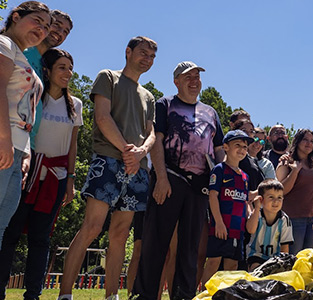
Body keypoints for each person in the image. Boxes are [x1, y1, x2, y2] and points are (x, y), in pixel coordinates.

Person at [58, 36, 157, 300]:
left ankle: (111, 295)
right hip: (108, 161)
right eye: (143, 53)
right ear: (128, 52)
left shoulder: (149, 96)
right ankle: (65, 294)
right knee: (91, 228)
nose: (147, 59)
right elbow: (102, 117)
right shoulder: (108, 78)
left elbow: (151, 134)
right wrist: (128, 151)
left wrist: (141, 153)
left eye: (152, 56)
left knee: (121, 234)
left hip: (138, 169)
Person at [133, 61, 224, 300]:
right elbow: (157, 140)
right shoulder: (165, 104)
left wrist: (218, 178)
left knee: (190, 248)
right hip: (170, 178)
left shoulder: (211, 112)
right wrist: (161, 178)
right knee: (155, 242)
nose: (194, 81)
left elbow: (219, 149)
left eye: (197, 76)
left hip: (199, 185)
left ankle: (183, 295)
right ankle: (145, 295)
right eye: (188, 77)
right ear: (176, 82)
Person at [0, 48, 81, 300]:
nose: (67, 73)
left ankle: (33, 294)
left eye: (70, 68)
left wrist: (70, 180)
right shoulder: (35, 97)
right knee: (11, 233)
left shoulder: (75, 105)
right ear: (47, 70)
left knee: (41, 237)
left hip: (55, 179)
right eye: (61, 67)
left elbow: (73, 145)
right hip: (27, 171)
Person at [0, 1, 50, 248]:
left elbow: (25, 111)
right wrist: (4, 139)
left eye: (46, 27)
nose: (42, 29)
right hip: (3, 143)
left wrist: (26, 152)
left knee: (1, 224)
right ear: (16, 17)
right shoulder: (4, 44)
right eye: (37, 21)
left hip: (17, 150)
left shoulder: (23, 57)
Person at [201, 130, 255, 288]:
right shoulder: (219, 170)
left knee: (232, 266)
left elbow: (245, 201)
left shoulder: (245, 176)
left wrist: (252, 214)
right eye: (237, 145)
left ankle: (226, 294)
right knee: (213, 262)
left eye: (245, 146)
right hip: (221, 227)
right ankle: (205, 294)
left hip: (238, 229)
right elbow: (212, 196)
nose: (242, 149)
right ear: (225, 147)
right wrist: (218, 222)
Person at [24, 9, 72, 151]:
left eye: (66, 32)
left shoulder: (46, 67)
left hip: (29, 145)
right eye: (57, 25)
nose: (60, 33)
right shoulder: (20, 50)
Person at [276, 129, 313, 254]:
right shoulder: (287, 160)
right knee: (293, 258)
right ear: (297, 141)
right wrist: (295, 171)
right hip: (294, 218)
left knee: (310, 259)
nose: (309, 143)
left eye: (311, 141)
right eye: (305, 140)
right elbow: (281, 191)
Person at [245, 179, 293, 271]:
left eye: (279, 197)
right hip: (256, 255)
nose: (276, 201)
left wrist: (283, 264)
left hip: (276, 258)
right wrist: (257, 207)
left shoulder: (284, 220)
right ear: (261, 199)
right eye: (271, 197)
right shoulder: (256, 214)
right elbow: (250, 229)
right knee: (257, 271)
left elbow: (285, 247)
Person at [232, 118, 265, 190]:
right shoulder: (228, 157)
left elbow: (263, 186)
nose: (248, 134)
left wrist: (254, 194)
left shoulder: (253, 160)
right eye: (244, 130)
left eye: (251, 131)